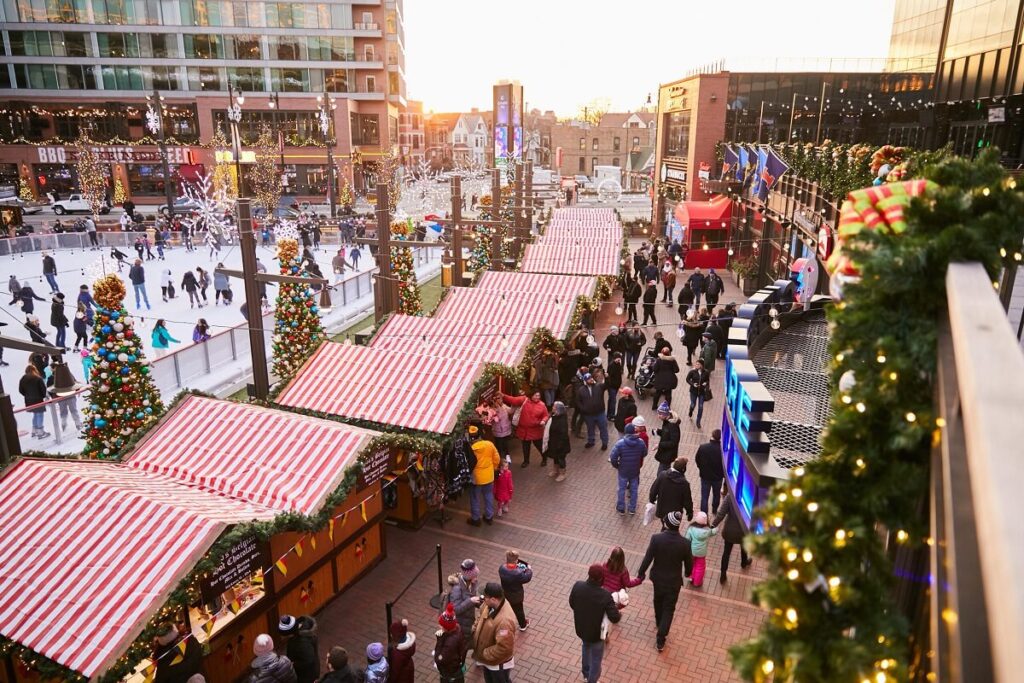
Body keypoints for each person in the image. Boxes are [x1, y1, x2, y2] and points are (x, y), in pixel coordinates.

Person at [636, 511, 694, 652]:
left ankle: (658, 621)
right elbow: (689, 564)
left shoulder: (656, 539)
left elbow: (648, 557)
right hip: (674, 582)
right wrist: (687, 573)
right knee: (669, 608)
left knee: (657, 600)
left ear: (667, 524)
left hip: (658, 579)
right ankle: (661, 638)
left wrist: (641, 572)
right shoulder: (685, 543)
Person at [569, 564, 621, 683]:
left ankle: (586, 673)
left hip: (581, 629)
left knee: (585, 647)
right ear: (601, 578)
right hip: (597, 634)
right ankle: (592, 680)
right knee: (596, 659)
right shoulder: (605, 595)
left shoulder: (578, 586)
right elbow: (615, 617)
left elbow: (572, 603)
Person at [470, 582, 517, 683]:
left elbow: (504, 648)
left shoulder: (505, 622)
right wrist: (475, 627)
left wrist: (485, 654)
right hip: (488, 661)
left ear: (493, 599)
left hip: (496, 664)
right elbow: (481, 615)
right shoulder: (490, 605)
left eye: (485, 597)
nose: (482, 598)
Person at [712, 483, 752, 584]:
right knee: (744, 547)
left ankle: (723, 574)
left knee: (726, 552)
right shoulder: (750, 499)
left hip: (729, 531)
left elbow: (721, 513)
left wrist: (713, 525)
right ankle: (744, 562)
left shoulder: (730, 497)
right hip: (743, 531)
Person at [501, 389, 549, 467]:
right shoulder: (524, 400)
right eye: (535, 395)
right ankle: (526, 461)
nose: (537, 397)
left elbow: (546, 415)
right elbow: (513, 400)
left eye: (539, 396)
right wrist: (503, 396)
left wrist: (543, 420)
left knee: (539, 446)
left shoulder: (542, 405)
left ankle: (544, 458)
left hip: (536, 431)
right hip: (524, 431)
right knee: (525, 447)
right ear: (531, 395)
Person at [609, 423, 646, 515]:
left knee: (621, 489)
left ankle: (621, 508)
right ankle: (632, 508)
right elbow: (644, 453)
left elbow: (613, 457)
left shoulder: (620, 443)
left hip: (623, 470)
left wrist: (617, 466)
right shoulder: (640, 442)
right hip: (635, 470)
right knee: (634, 490)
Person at [466, 425, 500, 526]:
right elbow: (497, 458)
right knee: (488, 496)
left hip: (476, 478)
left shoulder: (471, 449)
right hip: (489, 476)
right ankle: (489, 517)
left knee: (475, 498)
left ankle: (475, 519)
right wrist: (493, 468)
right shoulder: (489, 444)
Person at [649, 457, 694, 528]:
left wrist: (652, 500)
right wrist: (689, 512)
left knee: (664, 525)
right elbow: (687, 500)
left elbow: (653, 490)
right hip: (676, 514)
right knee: (673, 529)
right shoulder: (684, 484)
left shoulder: (662, 475)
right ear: (683, 469)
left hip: (662, 509)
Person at [498, 550, 533, 631]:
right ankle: (523, 625)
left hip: (505, 593)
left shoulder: (502, 568)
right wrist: (529, 570)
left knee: (505, 609)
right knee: (519, 610)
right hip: (516, 596)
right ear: (516, 561)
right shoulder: (518, 573)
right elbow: (527, 578)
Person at [278, 615, 319, 683]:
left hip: (306, 676)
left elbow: (309, 660)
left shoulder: (302, 643)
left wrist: (293, 664)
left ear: (290, 632)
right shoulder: (301, 632)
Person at [434, 603, 468, 683]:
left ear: (446, 627)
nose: (439, 626)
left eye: (441, 625)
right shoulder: (458, 629)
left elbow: (439, 659)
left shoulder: (450, 643)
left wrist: (439, 640)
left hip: (450, 674)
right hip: (456, 668)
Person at [695, 428, 725, 514]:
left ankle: (703, 514)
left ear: (712, 436)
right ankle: (714, 509)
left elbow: (697, 459)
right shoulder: (722, 451)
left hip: (705, 476)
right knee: (716, 495)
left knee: (704, 497)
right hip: (718, 477)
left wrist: (701, 468)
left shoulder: (703, 447)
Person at [684, 512, 718, 588]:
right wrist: (716, 529)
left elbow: (687, 539)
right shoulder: (707, 531)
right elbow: (713, 532)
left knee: (691, 565)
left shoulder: (691, 528)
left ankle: (691, 578)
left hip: (692, 551)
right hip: (702, 553)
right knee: (700, 567)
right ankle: (697, 582)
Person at [448, 559, 481, 636]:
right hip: (460, 624)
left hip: (469, 621)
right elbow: (455, 610)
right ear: (468, 577)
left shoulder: (472, 583)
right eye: (474, 576)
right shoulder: (457, 589)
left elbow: (471, 598)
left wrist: (479, 602)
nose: (476, 579)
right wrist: (471, 601)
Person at [542, 400, 570, 482]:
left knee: (561, 458)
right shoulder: (554, 416)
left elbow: (563, 435)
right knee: (555, 457)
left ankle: (562, 473)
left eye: (554, 406)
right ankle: (555, 470)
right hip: (554, 442)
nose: (552, 408)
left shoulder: (562, 420)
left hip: (560, 444)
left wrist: (559, 445)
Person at [19, 364, 49, 439]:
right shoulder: (38, 378)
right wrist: (42, 396)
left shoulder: (23, 379)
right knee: (39, 415)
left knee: (35, 415)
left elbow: (21, 390)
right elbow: (43, 389)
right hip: (38, 399)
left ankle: (34, 431)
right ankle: (40, 432)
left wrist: (27, 395)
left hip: (29, 400)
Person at [651, 403, 681, 474]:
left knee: (661, 474)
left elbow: (674, 442)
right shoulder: (667, 422)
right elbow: (667, 433)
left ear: (666, 414)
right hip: (665, 454)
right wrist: (658, 431)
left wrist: (659, 445)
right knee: (663, 473)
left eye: (660, 414)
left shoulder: (673, 425)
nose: (658, 416)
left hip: (668, 455)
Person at [650, 347, 679, 411]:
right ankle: (667, 408)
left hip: (660, 379)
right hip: (669, 380)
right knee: (668, 394)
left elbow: (655, 369)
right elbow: (677, 370)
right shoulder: (672, 360)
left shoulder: (659, 360)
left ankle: (654, 406)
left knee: (657, 393)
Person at [387, 619, 416, 683]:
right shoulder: (411, 644)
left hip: (401, 677)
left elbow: (395, 672)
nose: (391, 635)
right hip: (409, 668)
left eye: (392, 634)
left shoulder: (397, 654)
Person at [685, 359, 711, 429]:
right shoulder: (692, 372)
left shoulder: (706, 372)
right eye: (696, 364)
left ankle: (698, 421)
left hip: (702, 392)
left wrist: (706, 384)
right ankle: (691, 411)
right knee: (693, 404)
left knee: (701, 407)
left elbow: (707, 380)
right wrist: (693, 384)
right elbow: (687, 379)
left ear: (702, 365)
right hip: (693, 391)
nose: (696, 365)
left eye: (698, 364)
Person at [604, 352, 623, 421]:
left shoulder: (618, 364)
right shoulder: (611, 365)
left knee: (611, 400)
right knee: (613, 401)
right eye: (618, 358)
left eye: (619, 358)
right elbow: (608, 377)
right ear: (615, 358)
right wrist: (609, 385)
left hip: (616, 386)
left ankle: (609, 414)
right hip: (612, 386)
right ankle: (611, 415)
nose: (619, 360)